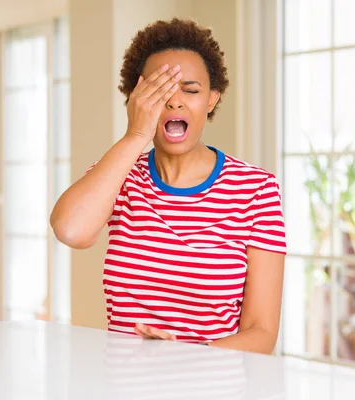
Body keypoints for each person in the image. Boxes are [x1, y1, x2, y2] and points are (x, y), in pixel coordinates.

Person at [50, 18, 286, 354]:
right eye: (159, 91)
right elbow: (70, 230)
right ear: (136, 99)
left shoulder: (256, 189)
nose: (175, 102)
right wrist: (136, 135)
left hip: (212, 384)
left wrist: (182, 359)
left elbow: (261, 332)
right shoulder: (120, 175)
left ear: (212, 99)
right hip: (124, 382)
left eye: (190, 90)